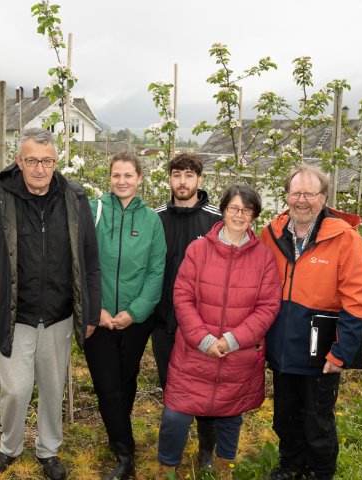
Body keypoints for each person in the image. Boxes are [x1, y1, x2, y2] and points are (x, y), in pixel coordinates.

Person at [0, 127, 101, 480]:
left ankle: (48, 450)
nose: (40, 168)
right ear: (19, 161)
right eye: (32, 161)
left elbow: (89, 259)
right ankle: (9, 447)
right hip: (16, 317)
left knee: (53, 387)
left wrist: (89, 311)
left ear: (56, 161)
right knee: (15, 389)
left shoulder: (74, 198)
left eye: (47, 161)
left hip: (58, 316)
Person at [156, 184, 281, 480]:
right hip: (195, 350)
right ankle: (167, 468)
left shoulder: (263, 257)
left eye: (247, 210)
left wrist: (234, 339)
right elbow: (182, 296)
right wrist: (204, 338)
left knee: (230, 413)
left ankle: (224, 467)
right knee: (176, 414)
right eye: (234, 208)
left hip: (237, 354)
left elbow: (268, 305)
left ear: (254, 215)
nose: (239, 215)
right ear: (223, 210)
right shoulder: (198, 249)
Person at [260, 164, 362, 480]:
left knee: (317, 418)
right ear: (286, 196)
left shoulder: (345, 238)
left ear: (323, 197)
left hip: (321, 348)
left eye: (310, 193)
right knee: (284, 417)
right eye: (296, 193)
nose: (302, 200)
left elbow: (357, 300)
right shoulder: (272, 234)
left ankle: (319, 472)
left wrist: (342, 353)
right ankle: (291, 466)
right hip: (282, 347)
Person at [85, 152, 166, 479]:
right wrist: (98, 309)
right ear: (110, 177)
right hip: (98, 319)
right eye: (116, 175)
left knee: (126, 379)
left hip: (135, 321)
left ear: (140, 178)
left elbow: (156, 270)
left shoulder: (150, 220)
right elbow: (82, 264)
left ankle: (117, 435)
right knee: (107, 386)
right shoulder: (93, 212)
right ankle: (125, 453)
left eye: (128, 175)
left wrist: (134, 312)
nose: (122, 181)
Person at [153, 153, 221, 469]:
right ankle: (173, 450)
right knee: (172, 388)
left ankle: (207, 449)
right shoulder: (155, 218)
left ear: (199, 180)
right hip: (164, 321)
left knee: (207, 387)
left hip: (204, 324)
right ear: (169, 179)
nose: (183, 181)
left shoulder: (214, 221)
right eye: (177, 174)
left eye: (189, 175)